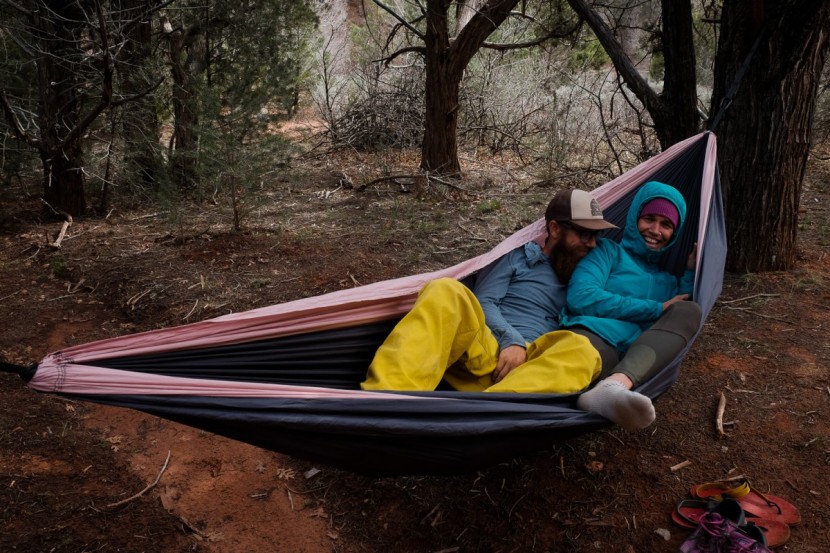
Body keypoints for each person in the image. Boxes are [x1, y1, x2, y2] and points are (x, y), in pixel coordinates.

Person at [361, 189, 617, 393]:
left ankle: (487, 414)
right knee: (446, 290)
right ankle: (386, 400)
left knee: (583, 351)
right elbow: (484, 300)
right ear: (554, 229)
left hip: (533, 372)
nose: (592, 244)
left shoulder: (591, 271)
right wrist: (511, 340)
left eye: (597, 235)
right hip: (486, 350)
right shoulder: (517, 257)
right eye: (584, 234)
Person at [561, 180, 702, 430]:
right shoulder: (607, 251)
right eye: (649, 219)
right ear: (635, 217)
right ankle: (609, 390)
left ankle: (613, 386)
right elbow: (581, 296)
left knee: (689, 311)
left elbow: (678, 316)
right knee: (555, 381)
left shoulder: (669, 282)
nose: (656, 230)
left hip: (631, 360)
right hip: (593, 338)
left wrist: (691, 271)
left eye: (666, 224)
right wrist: (655, 309)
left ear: (675, 234)